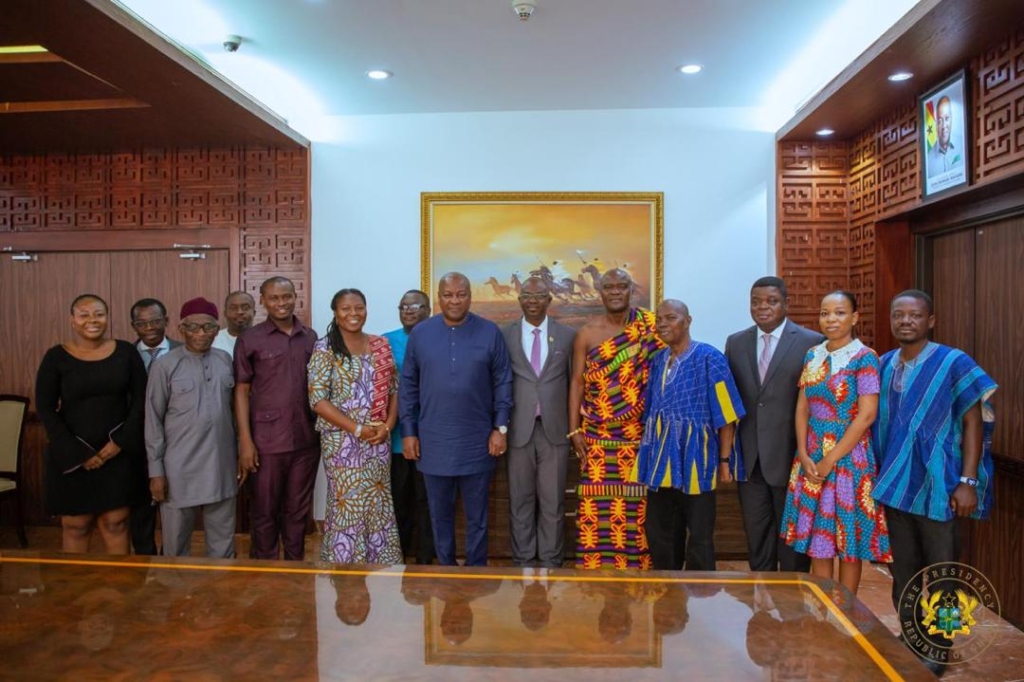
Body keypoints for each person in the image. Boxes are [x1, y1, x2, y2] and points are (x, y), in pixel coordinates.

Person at [872, 290, 997, 673]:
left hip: (940, 486)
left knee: (943, 575)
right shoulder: (884, 364)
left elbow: (973, 422)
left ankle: (939, 647)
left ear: (931, 321)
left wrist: (968, 481)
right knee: (904, 572)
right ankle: (912, 637)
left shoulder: (953, 362)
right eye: (899, 315)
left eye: (914, 315)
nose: (905, 321)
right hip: (896, 485)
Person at [780, 291, 892, 595]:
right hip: (811, 456)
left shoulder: (865, 357)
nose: (831, 319)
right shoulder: (812, 355)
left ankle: (846, 610)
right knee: (820, 540)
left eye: (840, 313)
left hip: (849, 458)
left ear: (854, 318)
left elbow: (867, 415)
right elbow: (802, 407)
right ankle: (822, 608)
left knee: (847, 542)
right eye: (825, 313)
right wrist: (804, 453)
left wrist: (831, 459)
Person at [399, 272, 512, 567]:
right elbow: (408, 386)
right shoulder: (421, 334)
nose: (455, 301)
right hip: (433, 442)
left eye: (461, 294)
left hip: (478, 441)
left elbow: (503, 382)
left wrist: (500, 428)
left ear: (470, 296)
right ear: (439, 298)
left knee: (478, 516)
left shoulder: (490, 332)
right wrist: (408, 432)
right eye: (448, 295)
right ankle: (446, 571)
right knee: (440, 515)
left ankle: (476, 571)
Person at [635, 299, 744, 570]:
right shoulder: (658, 360)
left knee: (699, 537)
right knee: (659, 533)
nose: (663, 324)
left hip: (698, 461)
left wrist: (724, 460)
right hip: (661, 462)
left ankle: (701, 592)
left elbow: (726, 415)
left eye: (671, 318)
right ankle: (667, 588)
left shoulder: (709, 358)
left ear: (688, 321)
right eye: (659, 319)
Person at [725, 276, 823, 572]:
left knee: (793, 542)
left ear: (786, 304)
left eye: (771, 301)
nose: (762, 307)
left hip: (792, 457)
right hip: (750, 459)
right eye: (756, 302)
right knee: (757, 539)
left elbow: (817, 403)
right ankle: (761, 595)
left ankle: (793, 597)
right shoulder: (736, 342)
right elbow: (730, 401)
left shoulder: (811, 342)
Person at [35, 294, 147, 553]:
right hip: (72, 454)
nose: (92, 320)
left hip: (118, 452)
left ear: (107, 318)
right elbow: (45, 408)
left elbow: (142, 402)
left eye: (99, 314)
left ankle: (120, 580)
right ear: (72, 320)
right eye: (84, 314)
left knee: (115, 523)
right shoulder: (55, 357)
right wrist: (78, 454)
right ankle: (75, 581)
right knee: (77, 525)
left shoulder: (126, 352)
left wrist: (119, 443)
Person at [568, 268, 663, 570]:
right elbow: (577, 383)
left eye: (622, 286)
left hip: (639, 435)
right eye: (609, 287)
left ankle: (637, 572)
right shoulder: (586, 334)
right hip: (597, 435)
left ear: (631, 290)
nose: (615, 292)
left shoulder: (651, 327)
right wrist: (574, 431)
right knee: (596, 507)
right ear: (600, 291)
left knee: (637, 508)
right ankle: (596, 572)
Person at [307, 288, 403, 564]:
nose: (353, 313)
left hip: (377, 440)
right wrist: (356, 429)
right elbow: (318, 400)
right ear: (335, 313)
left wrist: (387, 427)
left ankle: (380, 565)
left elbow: (394, 391)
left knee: (377, 501)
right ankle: (345, 568)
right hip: (342, 443)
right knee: (348, 502)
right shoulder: (325, 348)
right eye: (346, 309)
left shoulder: (380, 345)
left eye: (359, 307)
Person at [234, 276, 319, 560]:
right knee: (264, 511)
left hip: (306, 441)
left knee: (297, 512)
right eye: (274, 298)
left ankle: (295, 571)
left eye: (286, 297)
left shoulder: (310, 337)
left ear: (295, 297)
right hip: (266, 442)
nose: (281, 303)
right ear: (263, 301)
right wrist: (246, 441)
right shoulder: (250, 339)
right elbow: (241, 390)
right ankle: (266, 573)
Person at [146, 297, 238, 558]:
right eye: (193, 327)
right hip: (178, 469)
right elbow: (153, 420)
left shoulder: (225, 360)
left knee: (223, 544)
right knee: (175, 545)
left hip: (221, 465)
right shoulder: (165, 365)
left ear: (216, 329)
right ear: (181, 329)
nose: (201, 333)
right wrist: (156, 471)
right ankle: (176, 586)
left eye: (208, 327)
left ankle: (221, 584)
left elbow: (236, 413)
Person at [502, 276, 576, 568]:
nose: (533, 301)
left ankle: (551, 560)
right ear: (519, 300)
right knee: (519, 500)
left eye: (539, 295)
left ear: (549, 299)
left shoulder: (567, 336)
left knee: (553, 501)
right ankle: (522, 559)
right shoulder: (504, 335)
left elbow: (574, 383)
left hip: (555, 431)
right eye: (527, 296)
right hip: (517, 429)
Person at [383, 289, 435, 564]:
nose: (408, 310)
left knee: (427, 501)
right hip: (397, 438)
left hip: (431, 435)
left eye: (415, 306)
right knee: (399, 501)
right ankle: (397, 558)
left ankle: (425, 560)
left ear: (428, 309)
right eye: (403, 306)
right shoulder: (385, 342)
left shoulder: (439, 338)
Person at [130, 297, 180, 555]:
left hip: (178, 445)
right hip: (136, 446)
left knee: (176, 513)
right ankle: (145, 563)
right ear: (133, 326)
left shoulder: (184, 351)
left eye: (155, 321)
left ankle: (172, 561)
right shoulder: (123, 356)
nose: (149, 328)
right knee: (141, 512)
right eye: (142, 323)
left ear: (166, 321)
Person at [927, 96, 963, 177]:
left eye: (947, 119)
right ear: (936, 124)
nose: (944, 126)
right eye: (940, 121)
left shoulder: (963, 145)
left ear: (952, 118)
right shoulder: (928, 159)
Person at [212, 290, 256, 356]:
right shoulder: (214, 341)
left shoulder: (264, 339)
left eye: (245, 308)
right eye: (233, 308)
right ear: (225, 313)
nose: (239, 312)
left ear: (254, 313)